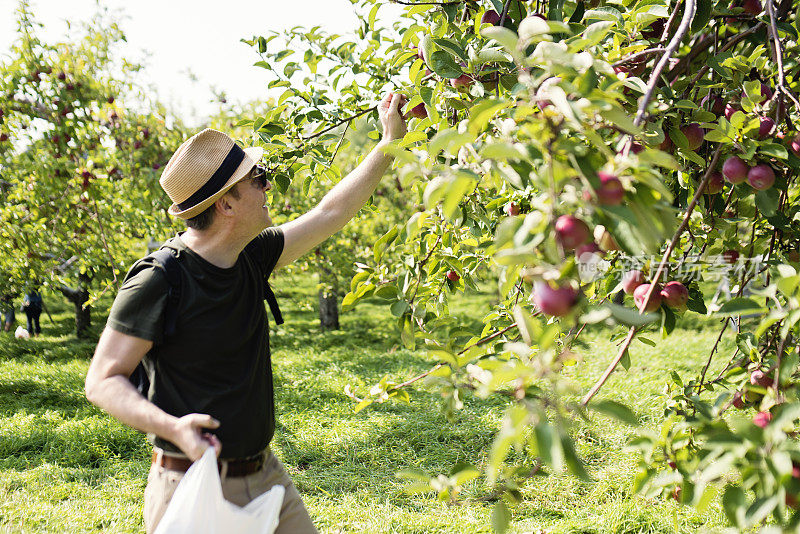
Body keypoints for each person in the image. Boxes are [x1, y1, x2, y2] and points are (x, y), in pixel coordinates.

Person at [84, 92, 407, 533]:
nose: (268, 185)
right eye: (257, 178)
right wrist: (173, 428)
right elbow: (102, 380)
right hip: (191, 484)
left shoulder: (251, 257)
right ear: (226, 204)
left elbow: (331, 211)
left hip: (264, 475)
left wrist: (388, 143)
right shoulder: (161, 279)